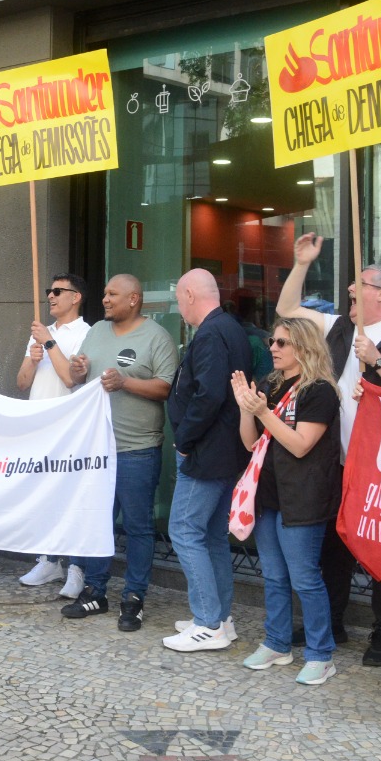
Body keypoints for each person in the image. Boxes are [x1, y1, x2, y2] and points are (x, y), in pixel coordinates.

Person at [277, 233, 381, 666]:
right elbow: (288, 309)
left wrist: (379, 362)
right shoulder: (340, 326)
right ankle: (333, 622)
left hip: (379, 467)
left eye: (359, 284)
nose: (349, 288)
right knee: (333, 547)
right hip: (334, 458)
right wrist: (302, 263)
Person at [62, 274, 177, 630]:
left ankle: (134, 597)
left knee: (138, 526)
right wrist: (77, 370)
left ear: (134, 300)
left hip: (137, 448)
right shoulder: (95, 330)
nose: (106, 299)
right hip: (97, 447)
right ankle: (96, 591)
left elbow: (165, 388)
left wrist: (125, 382)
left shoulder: (156, 337)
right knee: (97, 520)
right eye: (106, 292)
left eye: (113, 294)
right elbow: (75, 375)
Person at [234, 317, 343, 684]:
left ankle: (320, 653)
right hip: (270, 495)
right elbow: (251, 443)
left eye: (282, 343)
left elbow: (300, 445)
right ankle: (277, 643)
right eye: (272, 342)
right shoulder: (271, 383)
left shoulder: (320, 391)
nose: (273, 349)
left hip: (304, 497)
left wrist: (262, 411)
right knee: (275, 576)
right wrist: (245, 409)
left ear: (304, 347)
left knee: (305, 578)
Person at [163, 268, 254, 652]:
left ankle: (207, 623)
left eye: (177, 297)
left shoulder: (212, 332)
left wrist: (184, 439)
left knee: (184, 531)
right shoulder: (229, 327)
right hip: (223, 450)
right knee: (212, 536)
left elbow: (209, 395)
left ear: (188, 294)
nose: (177, 305)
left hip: (206, 452)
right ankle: (220, 618)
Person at [15, 272, 93, 597]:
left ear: (76, 297)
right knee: (44, 495)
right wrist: (33, 361)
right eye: (49, 291)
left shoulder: (86, 333)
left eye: (58, 291)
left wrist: (48, 342)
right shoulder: (40, 334)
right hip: (39, 424)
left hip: (69, 428)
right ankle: (48, 559)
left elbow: (70, 378)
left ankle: (77, 568)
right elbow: (21, 383)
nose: (50, 296)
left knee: (71, 498)